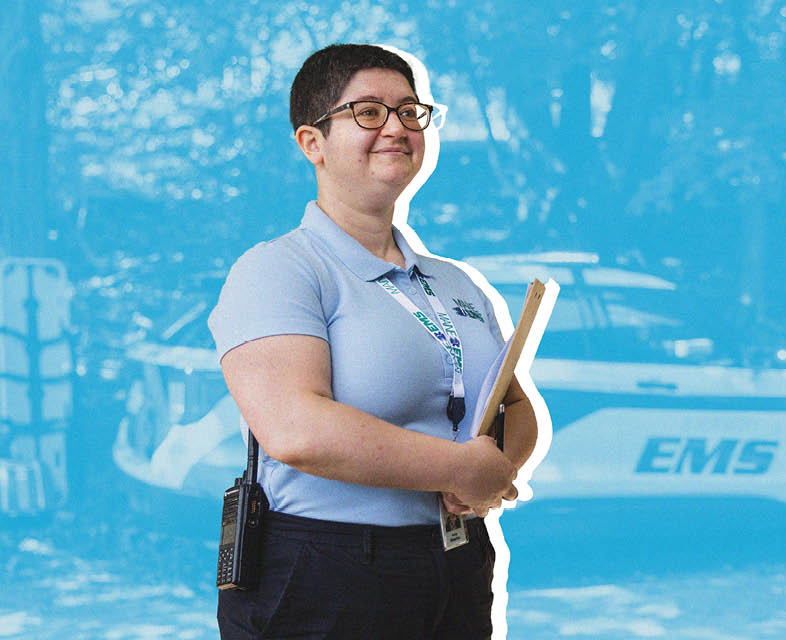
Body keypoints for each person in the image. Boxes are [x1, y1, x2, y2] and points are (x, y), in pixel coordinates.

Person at [209, 43, 539, 639]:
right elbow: (296, 430)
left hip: (457, 559)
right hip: (328, 573)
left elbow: (517, 409)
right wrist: (461, 468)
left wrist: (494, 469)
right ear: (312, 142)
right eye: (369, 112)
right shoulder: (279, 270)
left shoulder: (455, 282)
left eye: (410, 111)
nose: (396, 127)